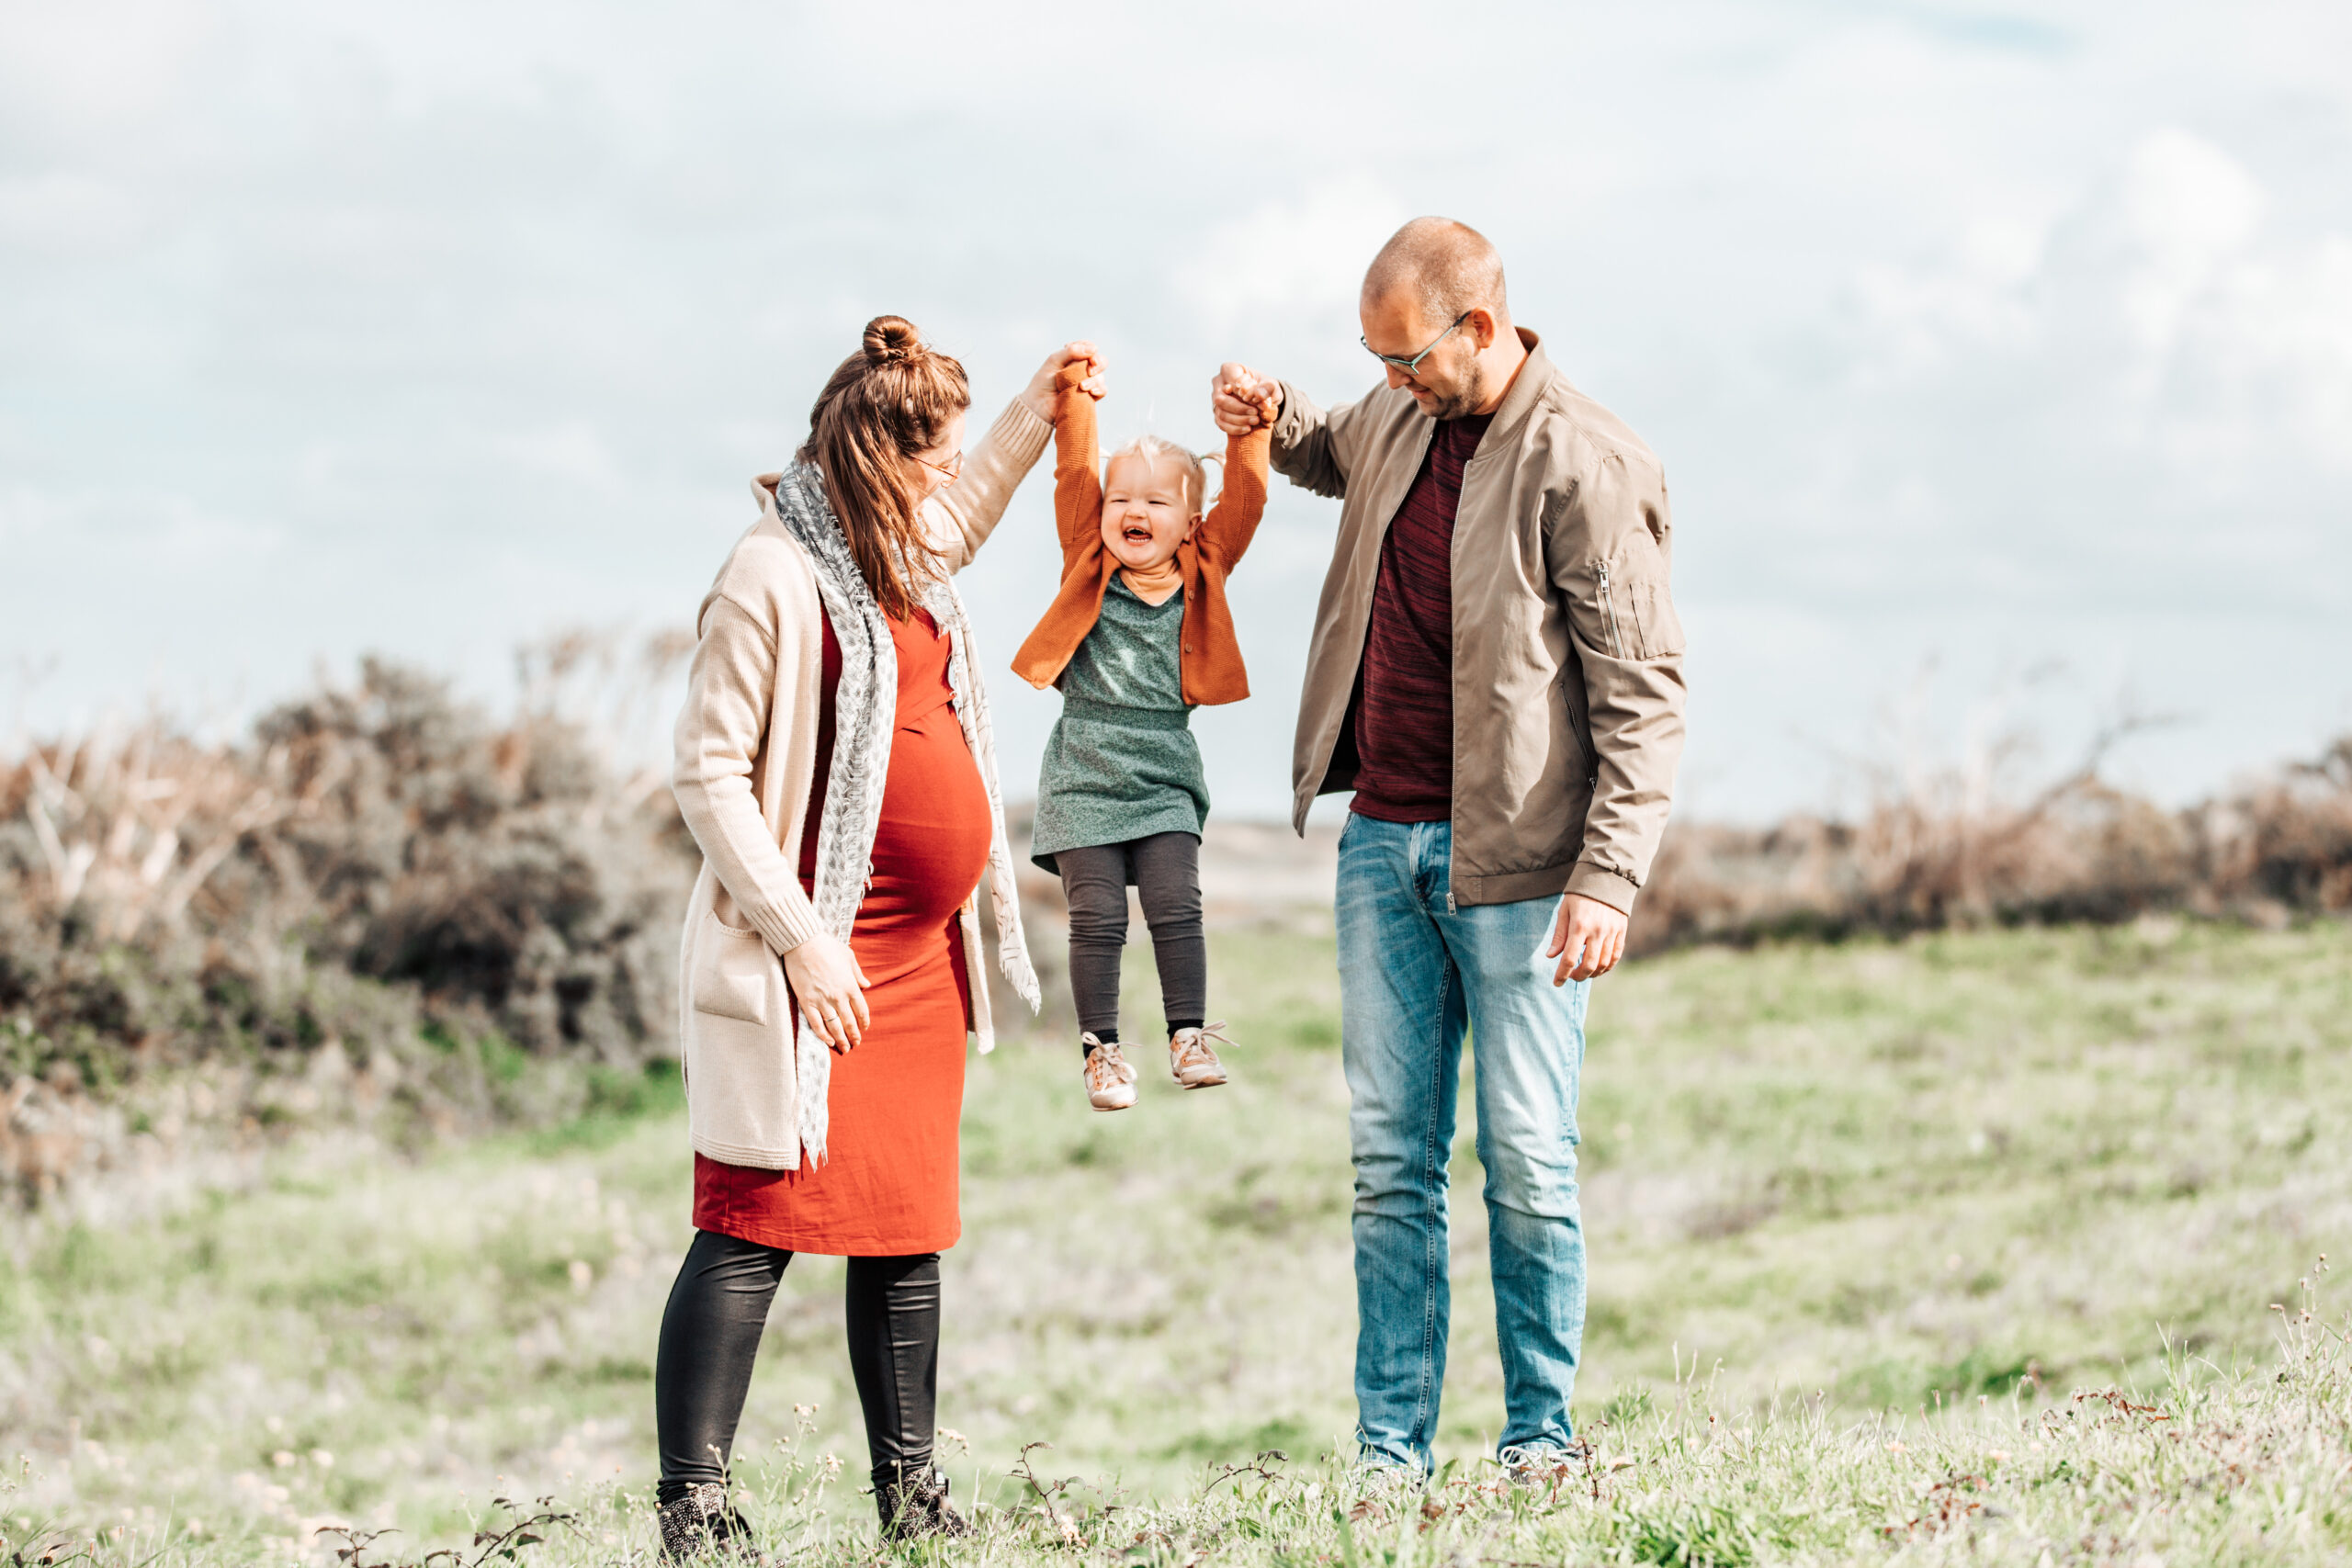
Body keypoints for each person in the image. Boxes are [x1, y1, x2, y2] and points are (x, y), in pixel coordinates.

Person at [1211, 219, 1688, 1482]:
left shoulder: (1587, 460)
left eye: (1407, 356)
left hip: (1524, 875)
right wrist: (1273, 411)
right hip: (1380, 849)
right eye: (1372, 359)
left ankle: (1540, 1438)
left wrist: (1608, 875)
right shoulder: (1399, 412)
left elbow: (1644, 694)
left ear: (1481, 326)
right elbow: (1331, 449)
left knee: (1527, 1160)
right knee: (1388, 1165)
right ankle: (1390, 1455)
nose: (1392, 381)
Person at [659, 316, 1093, 1556]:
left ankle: (911, 1494)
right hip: (814, 967)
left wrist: (1036, 401)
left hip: (919, 964)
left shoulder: (901, 552)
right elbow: (707, 771)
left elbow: (978, 504)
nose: (948, 473)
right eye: (934, 452)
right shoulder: (772, 572)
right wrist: (804, 940)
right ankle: (694, 1505)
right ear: (875, 454)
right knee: (752, 1219)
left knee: (904, 1227)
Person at [1009, 356, 1273, 1111]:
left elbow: (1247, 499)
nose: (1134, 509)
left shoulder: (1205, 566)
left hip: (1163, 768)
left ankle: (1186, 1034)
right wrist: (1076, 401)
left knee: (1175, 902)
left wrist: (1250, 428)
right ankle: (1102, 1051)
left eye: (1156, 500)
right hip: (1085, 766)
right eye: (1121, 497)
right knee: (1098, 915)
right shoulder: (1085, 559)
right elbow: (1073, 476)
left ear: (1189, 520)